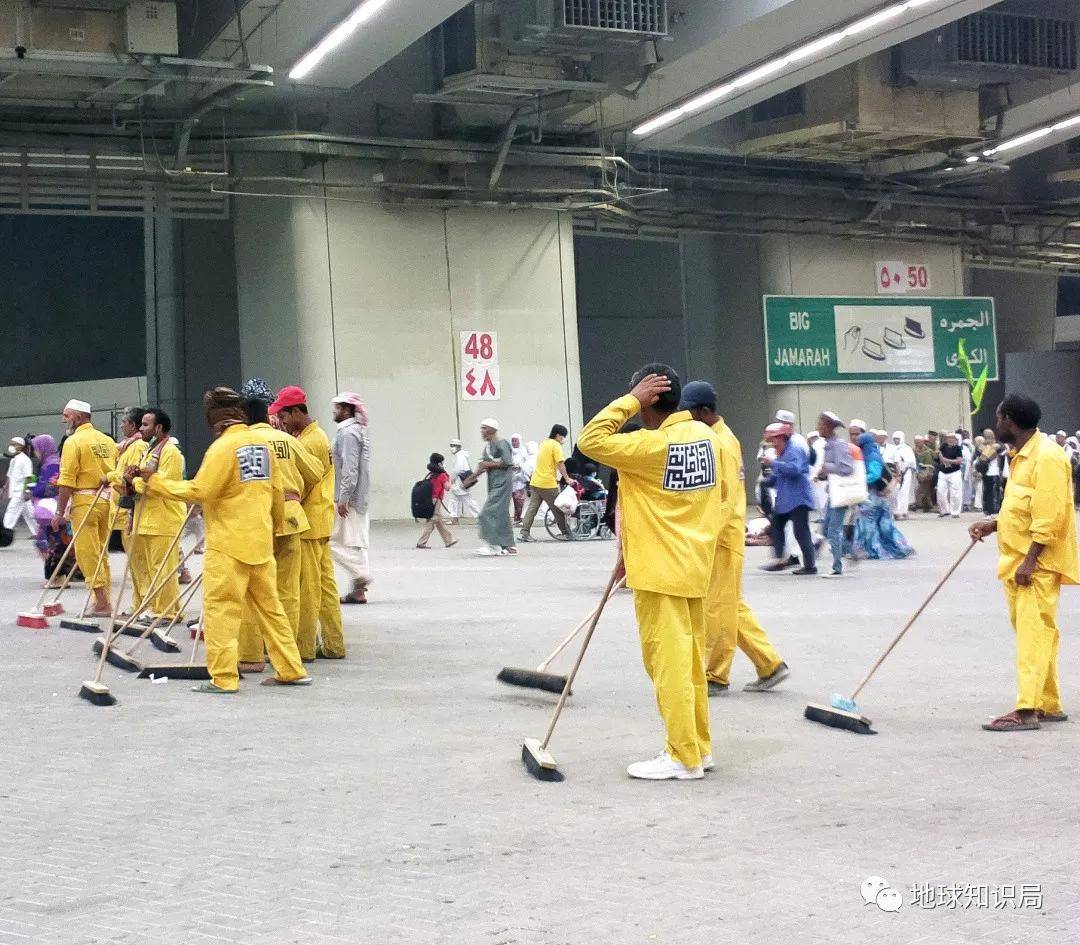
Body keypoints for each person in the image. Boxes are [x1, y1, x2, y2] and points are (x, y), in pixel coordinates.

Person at [578, 364, 724, 780]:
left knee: (669, 666)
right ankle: (698, 746)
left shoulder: (649, 447)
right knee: (691, 665)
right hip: (694, 566)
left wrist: (629, 400)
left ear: (648, 401)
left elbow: (590, 441)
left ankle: (682, 757)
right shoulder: (706, 438)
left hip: (660, 572)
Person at [135, 387, 311, 693]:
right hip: (259, 542)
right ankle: (291, 669)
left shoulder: (222, 448)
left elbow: (199, 491)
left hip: (228, 546)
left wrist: (150, 484)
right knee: (272, 610)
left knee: (221, 611)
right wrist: (274, 525)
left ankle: (224, 678)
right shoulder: (262, 444)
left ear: (215, 420)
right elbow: (276, 492)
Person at [971, 394, 1078, 732]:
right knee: (1040, 635)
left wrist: (1030, 562)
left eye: (999, 418)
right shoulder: (1021, 456)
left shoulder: (1047, 457)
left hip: (1034, 567)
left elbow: (1049, 516)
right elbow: (1022, 509)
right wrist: (994, 524)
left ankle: (1027, 710)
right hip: (1017, 562)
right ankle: (1048, 703)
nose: (996, 424)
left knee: (1032, 638)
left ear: (1009, 421)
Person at [680, 382, 788, 695]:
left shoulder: (719, 442)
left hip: (721, 536)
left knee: (718, 609)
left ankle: (716, 675)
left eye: (690, 412)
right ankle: (770, 664)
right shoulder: (719, 438)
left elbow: (722, 498)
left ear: (705, 411)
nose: (686, 417)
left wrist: (704, 535)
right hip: (722, 534)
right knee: (730, 606)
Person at [236, 387, 323, 673]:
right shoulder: (286, 440)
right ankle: (286, 655)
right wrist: (295, 494)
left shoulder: (243, 443)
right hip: (292, 517)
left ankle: (251, 654)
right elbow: (315, 473)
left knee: (251, 589)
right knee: (288, 591)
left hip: (256, 520)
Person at [270, 386, 344, 662]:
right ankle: (334, 645)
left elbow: (303, 483)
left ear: (297, 412)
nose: (283, 421)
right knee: (325, 587)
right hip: (319, 521)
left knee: (307, 589)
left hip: (309, 523)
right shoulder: (313, 436)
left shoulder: (310, 441)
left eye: (284, 415)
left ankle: (304, 648)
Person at [53, 399, 117, 616]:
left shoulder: (73, 442)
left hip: (85, 503)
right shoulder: (107, 441)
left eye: (67, 415)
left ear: (79, 417)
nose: (64, 419)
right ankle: (102, 599)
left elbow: (67, 480)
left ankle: (101, 602)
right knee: (100, 552)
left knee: (86, 553)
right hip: (106, 501)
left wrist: (59, 512)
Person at [126, 408, 186, 619]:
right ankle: (156, 608)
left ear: (158, 428)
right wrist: (131, 479)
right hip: (146, 517)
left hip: (165, 517)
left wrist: (135, 481)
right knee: (152, 569)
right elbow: (145, 479)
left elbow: (161, 485)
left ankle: (168, 612)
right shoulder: (150, 450)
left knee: (163, 568)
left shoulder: (171, 452)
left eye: (145, 425)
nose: (141, 428)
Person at [330, 392, 373, 606]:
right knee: (357, 544)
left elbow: (349, 468)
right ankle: (358, 591)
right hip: (360, 497)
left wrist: (343, 498)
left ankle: (360, 573)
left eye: (337, 407)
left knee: (327, 541)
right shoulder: (359, 431)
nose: (334, 411)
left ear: (347, 409)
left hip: (349, 498)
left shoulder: (347, 434)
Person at [760, 423, 817, 575]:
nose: (772, 444)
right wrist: (768, 481)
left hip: (798, 498)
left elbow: (794, 469)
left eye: (774, 440)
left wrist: (773, 463)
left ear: (782, 437)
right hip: (786, 499)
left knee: (801, 531)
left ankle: (810, 566)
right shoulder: (782, 452)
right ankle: (780, 560)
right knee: (777, 525)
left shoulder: (794, 450)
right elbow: (780, 473)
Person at [850, 432, 913, 560]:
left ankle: (872, 550)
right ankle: (899, 548)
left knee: (868, 524)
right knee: (885, 525)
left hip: (873, 496)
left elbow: (875, 475)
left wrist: (858, 481)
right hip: (882, 496)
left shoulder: (871, 457)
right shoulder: (875, 454)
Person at [519, 424, 573, 543]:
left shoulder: (544, 443)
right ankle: (565, 532)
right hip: (547, 483)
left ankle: (524, 533)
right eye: (563, 437)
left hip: (535, 481)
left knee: (532, 508)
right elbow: (560, 464)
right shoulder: (556, 445)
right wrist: (567, 478)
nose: (563, 440)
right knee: (558, 508)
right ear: (558, 435)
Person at [816, 412, 855, 577]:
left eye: (821, 425)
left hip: (841, 493)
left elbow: (847, 468)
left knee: (833, 530)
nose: (818, 428)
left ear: (829, 427)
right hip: (833, 492)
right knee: (825, 529)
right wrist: (823, 474)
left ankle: (837, 566)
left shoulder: (838, 445)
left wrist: (827, 468)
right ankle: (850, 551)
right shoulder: (829, 445)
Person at [475, 418, 516, 557]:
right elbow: (483, 465)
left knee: (488, 513)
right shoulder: (487, 447)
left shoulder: (501, 443)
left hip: (503, 482)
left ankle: (494, 545)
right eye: (481, 428)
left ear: (492, 429)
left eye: (485, 428)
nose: (482, 431)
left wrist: (488, 464)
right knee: (501, 514)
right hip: (493, 483)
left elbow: (507, 462)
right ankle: (509, 547)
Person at [416, 453, 457, 549]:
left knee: (438, 520)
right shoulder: (442, 475)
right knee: (432, 520)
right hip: (436, 500)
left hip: (428, 498)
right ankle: (421, 542)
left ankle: (449, 540)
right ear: (439, 464)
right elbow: (447, 487)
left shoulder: (430, 475)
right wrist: (450, 479)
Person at [3, 437, 36, 538]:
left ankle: (5, 533)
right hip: (16, 491)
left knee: (11, 511)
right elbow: (9, 476)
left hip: (21, 491)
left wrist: (27, 491)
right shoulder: (14, 459)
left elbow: (30, 476)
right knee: (29, 513)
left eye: (14, 444)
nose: (12, 446)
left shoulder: (25, 460)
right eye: (11, 443)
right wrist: (5, 488)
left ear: (21, 446)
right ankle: (38, 532)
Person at [446, 438, 480, 523]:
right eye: (451, 446)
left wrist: (452, 478)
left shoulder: (460, 456)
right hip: (459, 482)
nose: (452, 447)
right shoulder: (461, 456)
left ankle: (481, 517)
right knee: (454, 500)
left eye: (453, 446)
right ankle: (454, 518)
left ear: (458, 447)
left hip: (460, 482)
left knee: (468, 501)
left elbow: (458, 469)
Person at [976, 430, 1005, 515]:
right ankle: (987, 511)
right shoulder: (983, 446)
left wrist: (985, 452)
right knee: (986, 492)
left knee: (994, 493)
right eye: (986, 436)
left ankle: (994, 511)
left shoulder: (998, 445)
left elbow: (985, 457)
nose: (987, 438)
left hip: (994, 472)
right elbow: (980, 455)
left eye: (989, 436)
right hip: (986, 472)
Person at [936, 431, 964, 518]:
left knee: (955, 492)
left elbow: (959, 461)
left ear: (955, 439)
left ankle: (955, 511)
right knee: (940, 491)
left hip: (954, 472)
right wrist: (941, 457)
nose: (950, 440)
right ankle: (944, 510)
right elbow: (938, 453)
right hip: (943, 472)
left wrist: (947, 460)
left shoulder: (958, 448)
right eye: (948, 438)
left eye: (952, 438)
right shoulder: (943, 446)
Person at [891, 432, 917, 519]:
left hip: (906, 472)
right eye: (895, 439)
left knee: (904, 492)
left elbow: (912, 461)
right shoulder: (893, 448)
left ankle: (903, 511)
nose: (896, 440)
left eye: (897, 439)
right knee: (897, 492)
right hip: (896, 473)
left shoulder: (907, 448)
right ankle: (897, 511)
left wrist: (905, 467)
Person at [913, 434, 937, 512]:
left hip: (927, 472)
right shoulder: (913, 450)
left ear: (922, 442)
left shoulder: (928, 451)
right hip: (918, 472)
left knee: (925, 489)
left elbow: (932, 461)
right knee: (924, 489)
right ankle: (926, 505)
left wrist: (928, 473)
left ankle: (922, 504)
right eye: (915, 442)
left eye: (918, 442)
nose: (917, 444)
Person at [510, 433, 528, 526]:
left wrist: (519, 466)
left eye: (515, 440)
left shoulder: (524, 452)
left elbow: (527, 465)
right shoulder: (510, 452)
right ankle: (517, 519)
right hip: (512, 479)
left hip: (521, 479)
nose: (514, 442)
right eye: (512, 440)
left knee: (519, 499)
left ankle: (521, 518)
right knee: (515, 499)